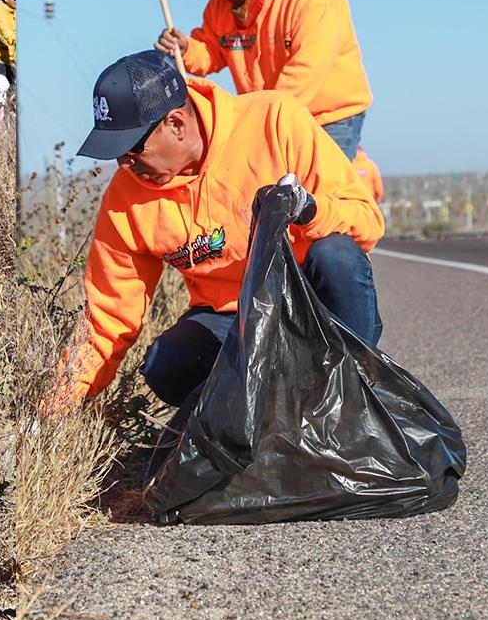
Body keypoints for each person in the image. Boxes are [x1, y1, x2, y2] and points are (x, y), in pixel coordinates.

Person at [57, 50, 383, 412]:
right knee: (166, 364)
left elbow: (366, 220)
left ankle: (351, 400)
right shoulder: (125, 198)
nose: (123, 163)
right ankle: (260, 421)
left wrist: (309, 211)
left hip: (309, 303)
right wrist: (51, 410)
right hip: (232, 317)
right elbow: (108, 317)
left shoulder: (275, 120)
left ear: (176, 124)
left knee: (336, 255)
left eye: (132, 148)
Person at [155, 0, 372, 159]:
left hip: (328, 118)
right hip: (268, 117)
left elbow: (305, 73)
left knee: (324, 194)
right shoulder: (223, 0)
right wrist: (186, 50)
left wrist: (251, 124)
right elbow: (213, 49)